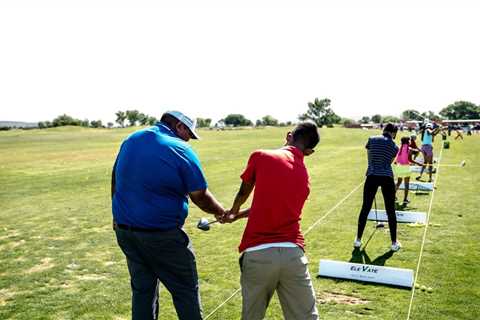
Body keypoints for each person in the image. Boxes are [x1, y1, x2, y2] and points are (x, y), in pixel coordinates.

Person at [111, 111, 226, 320]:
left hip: (126, 233)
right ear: (180, 126)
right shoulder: (180, 148)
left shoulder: (132, 139)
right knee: (185, 291)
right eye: (188, 133)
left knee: (142, 292)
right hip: (163, 237)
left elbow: (115, 176)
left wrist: (115, 217)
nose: (189, 139)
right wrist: (221, 212)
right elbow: (200, 196)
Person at [224, 122, 320, 320]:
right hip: (293, 255)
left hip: (258, 253)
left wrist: (233, 211)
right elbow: (271, 206)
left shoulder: (261, 155)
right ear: (309, 152)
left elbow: (245, 189)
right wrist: (238, 215)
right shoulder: (304, 177)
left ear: (288, 135)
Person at [354, 123, 401, 252]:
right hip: (386, 177)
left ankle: (358, 240)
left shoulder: (371, 139)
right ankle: (393, 243)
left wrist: (371, 168)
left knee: (365, 208)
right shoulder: (395, 147)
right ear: (393, 133)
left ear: (384, 130)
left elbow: (369, 156)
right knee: (390, 210)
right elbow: (389, 162)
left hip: (372, 175)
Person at [394, 137, 422, 205]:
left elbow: (396, 161)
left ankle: (393, 196)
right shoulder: (409, 149)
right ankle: (405, 199)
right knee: (406, 185)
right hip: (406, 168)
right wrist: (418, 163)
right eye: (409, 140)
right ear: (407, 141)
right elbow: (410, 160)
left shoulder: (400, 148)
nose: (410, 141)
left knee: (398, 183)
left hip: (399, 167)